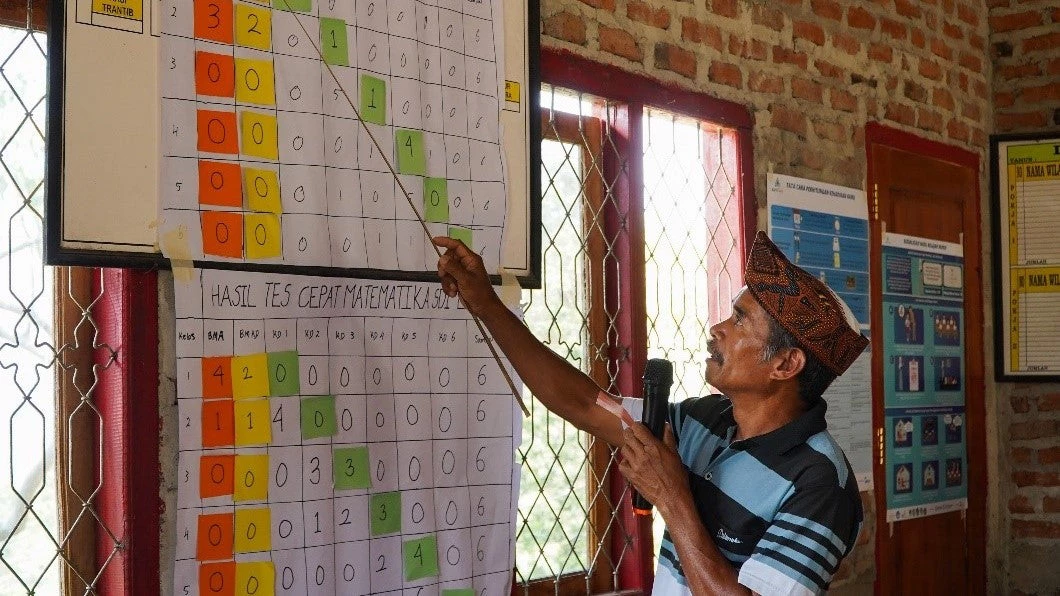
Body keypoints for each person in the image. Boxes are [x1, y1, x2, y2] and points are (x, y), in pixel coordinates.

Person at [434, 231, 868, 595]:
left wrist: (673, 496)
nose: (717, 329)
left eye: (739, 320)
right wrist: (487, 305)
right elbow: (581, 403)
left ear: (786, 364)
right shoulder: (701, 421)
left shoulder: (821, 483)